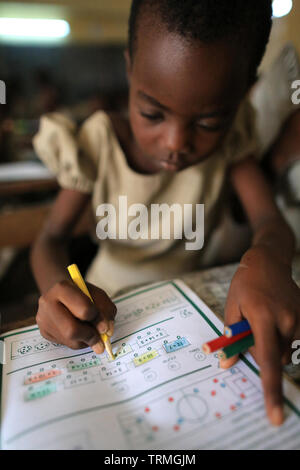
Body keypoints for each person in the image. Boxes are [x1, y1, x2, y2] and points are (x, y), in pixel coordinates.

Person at [31, 0, 300, 427]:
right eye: (152, 113)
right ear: (129, 69)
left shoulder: (234, 143)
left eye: (210, 121)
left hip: (189, 309)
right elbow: (49, 240)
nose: (176, 142)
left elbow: (270, 221)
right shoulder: (98, 142)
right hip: (102, 307)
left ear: (244, 92)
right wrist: (55, 291)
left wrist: (266, 257)